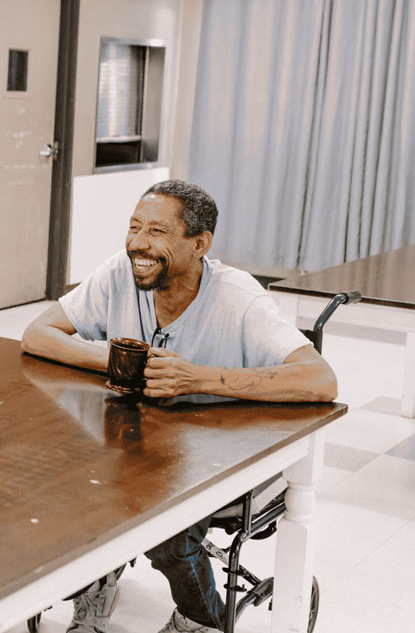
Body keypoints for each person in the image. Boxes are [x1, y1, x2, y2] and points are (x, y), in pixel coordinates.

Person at [21, 180, 336, 633]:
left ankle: (200, 618)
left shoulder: (237, 297)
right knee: (65, 484)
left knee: (167, 527)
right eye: (133, 227)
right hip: (132, 445)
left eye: (156, 231)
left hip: (218, 456)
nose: (137, 244)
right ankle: (96, 580)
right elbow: (38, 334)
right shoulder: (119, 275)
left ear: (200, 243)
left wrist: (196, 377)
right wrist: (123, 358)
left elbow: (320, 379)